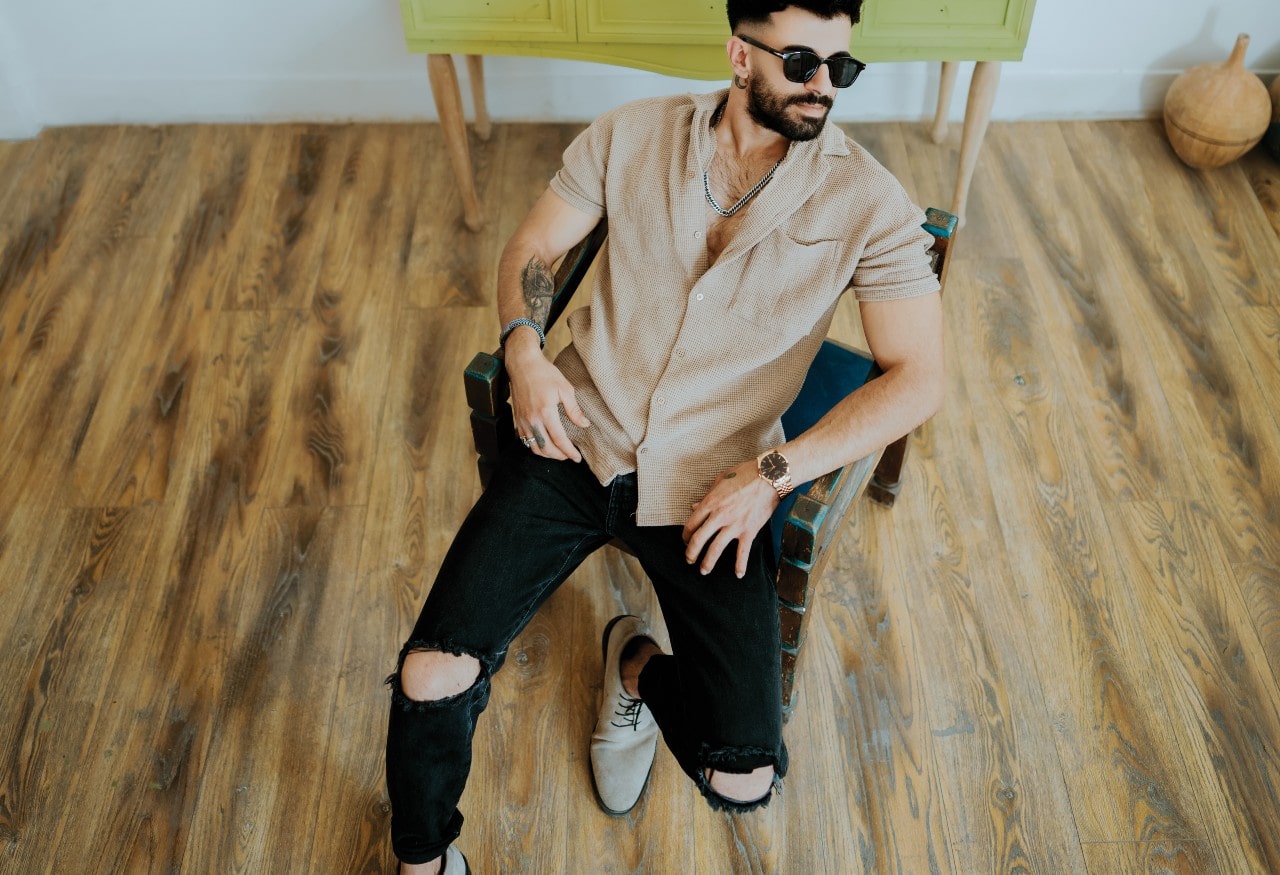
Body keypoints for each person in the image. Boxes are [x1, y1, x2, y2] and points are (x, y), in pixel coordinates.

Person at [384, 1, 945, 871]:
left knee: (745, 777)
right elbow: (535, 244)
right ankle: (422, 861)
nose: (824, 86)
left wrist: (772, 472)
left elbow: (920, 376)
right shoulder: (630, 134)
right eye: (802, 61)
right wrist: (525, 350)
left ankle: (633, 664)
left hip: (715, 483)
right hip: (576, 437)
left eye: (843, 67)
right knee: (430, 673)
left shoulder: (868, 201)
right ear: (738, 55)